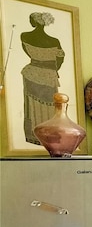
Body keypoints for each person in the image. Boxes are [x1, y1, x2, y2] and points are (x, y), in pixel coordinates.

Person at [20, 12, 65, 144]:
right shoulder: (54, 41)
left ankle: (34, 137)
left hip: (31, 73)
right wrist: (51, 70)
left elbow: (27, 52)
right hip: (50, 75)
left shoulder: (24, 36)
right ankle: (49, 137)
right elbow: (60, 59)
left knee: (33, 106)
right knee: (51, 107)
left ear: (34, 21)